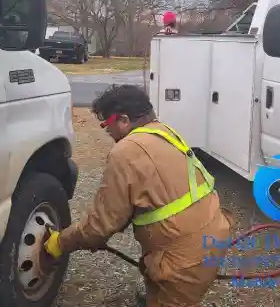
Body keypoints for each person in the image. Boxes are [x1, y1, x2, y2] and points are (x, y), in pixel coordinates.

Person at [43, 84, 234, 307]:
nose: (108, 133)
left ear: (123, 120)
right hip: (213, 234)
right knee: (156, 273)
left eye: (107, 126)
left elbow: (101, 224)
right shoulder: (164, 131)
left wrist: (61, 242)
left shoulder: (126, 151)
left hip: (188, 260)